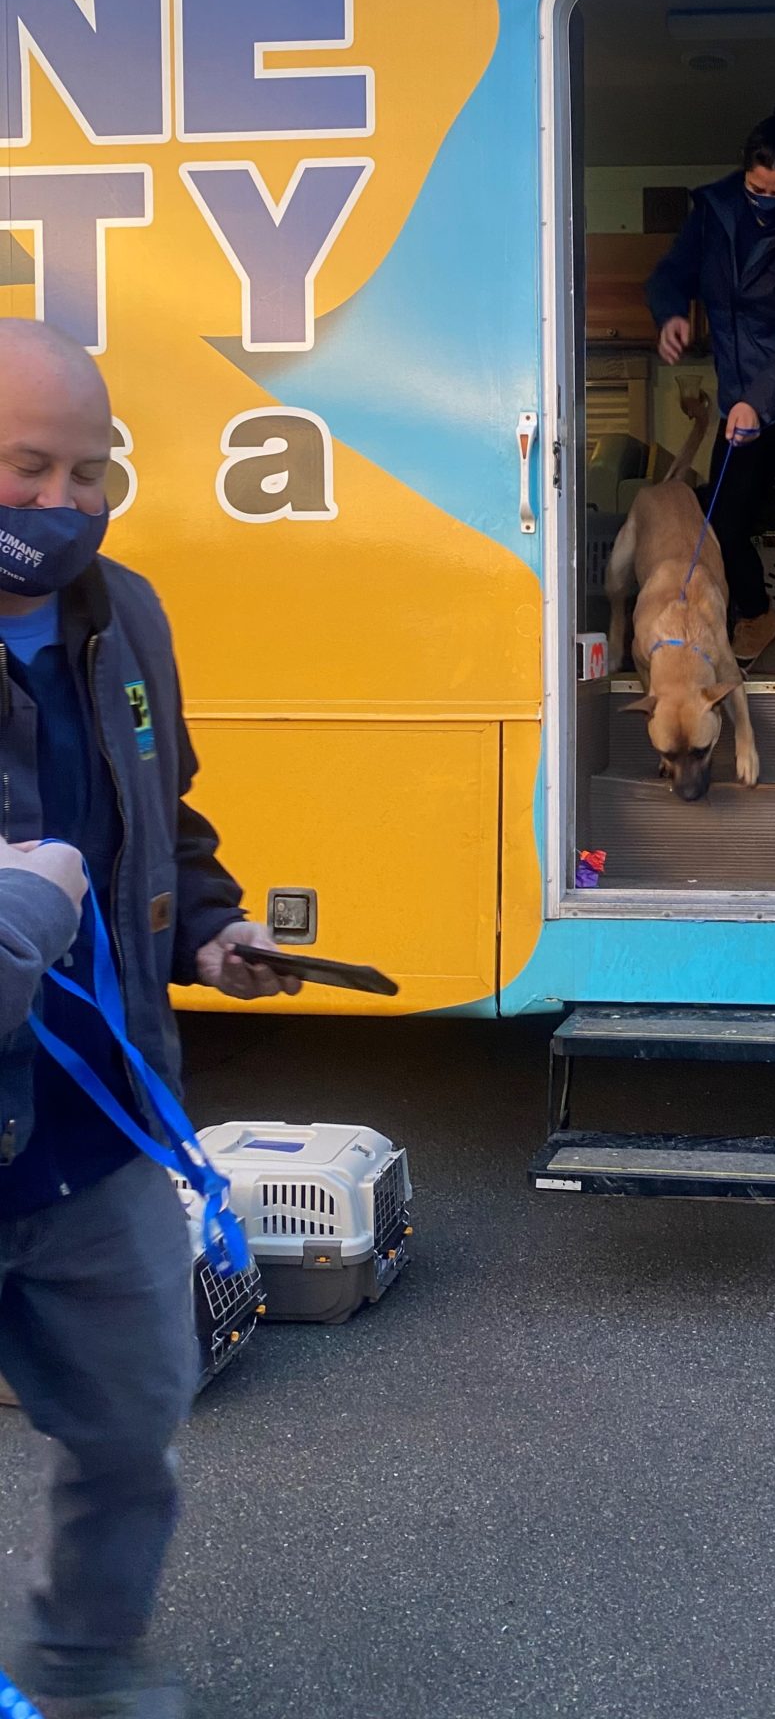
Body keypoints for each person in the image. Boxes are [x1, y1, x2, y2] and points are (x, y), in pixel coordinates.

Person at [0, 317, 298, 1719]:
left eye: (89, 472)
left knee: (134, 1421)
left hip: (93, 1132)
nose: (61, 502)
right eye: (26, 467)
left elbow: (157, 812)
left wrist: (210, 925)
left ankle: (85, 1668)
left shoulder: (129, 615)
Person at [647, 102, 775, 681]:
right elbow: (671, 273)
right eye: (755, 188)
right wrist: (671, 312)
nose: (764, 201)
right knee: (724, 518)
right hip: (743, 393)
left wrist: (758, 402)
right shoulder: (716, 212)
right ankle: (758, 615)